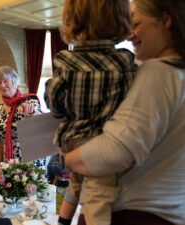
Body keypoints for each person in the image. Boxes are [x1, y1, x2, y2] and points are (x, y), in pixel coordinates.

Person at [65, 0, 185, 225]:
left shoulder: (158, 71)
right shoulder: (178, 73)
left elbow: (116, 151)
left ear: (166, 21)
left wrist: (68, 159)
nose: (129, 34)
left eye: (137, 23)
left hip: (133, 214)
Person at [44, 1, 136, 224]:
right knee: (98, 194)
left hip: (72, 137)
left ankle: (64, 219)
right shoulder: (123, 60)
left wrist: (65, 113)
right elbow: (130, 101)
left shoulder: (67, 60)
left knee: (77, 179)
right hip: (104, 139)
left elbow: (52, 97)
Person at [0, 66, 47, 169]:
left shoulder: (29, 101)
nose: (3, 85)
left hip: (31, 161)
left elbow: (43, 122)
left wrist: (32, 112)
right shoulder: (0, 108)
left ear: (14, 81)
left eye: (5, 81)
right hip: (9, 163)